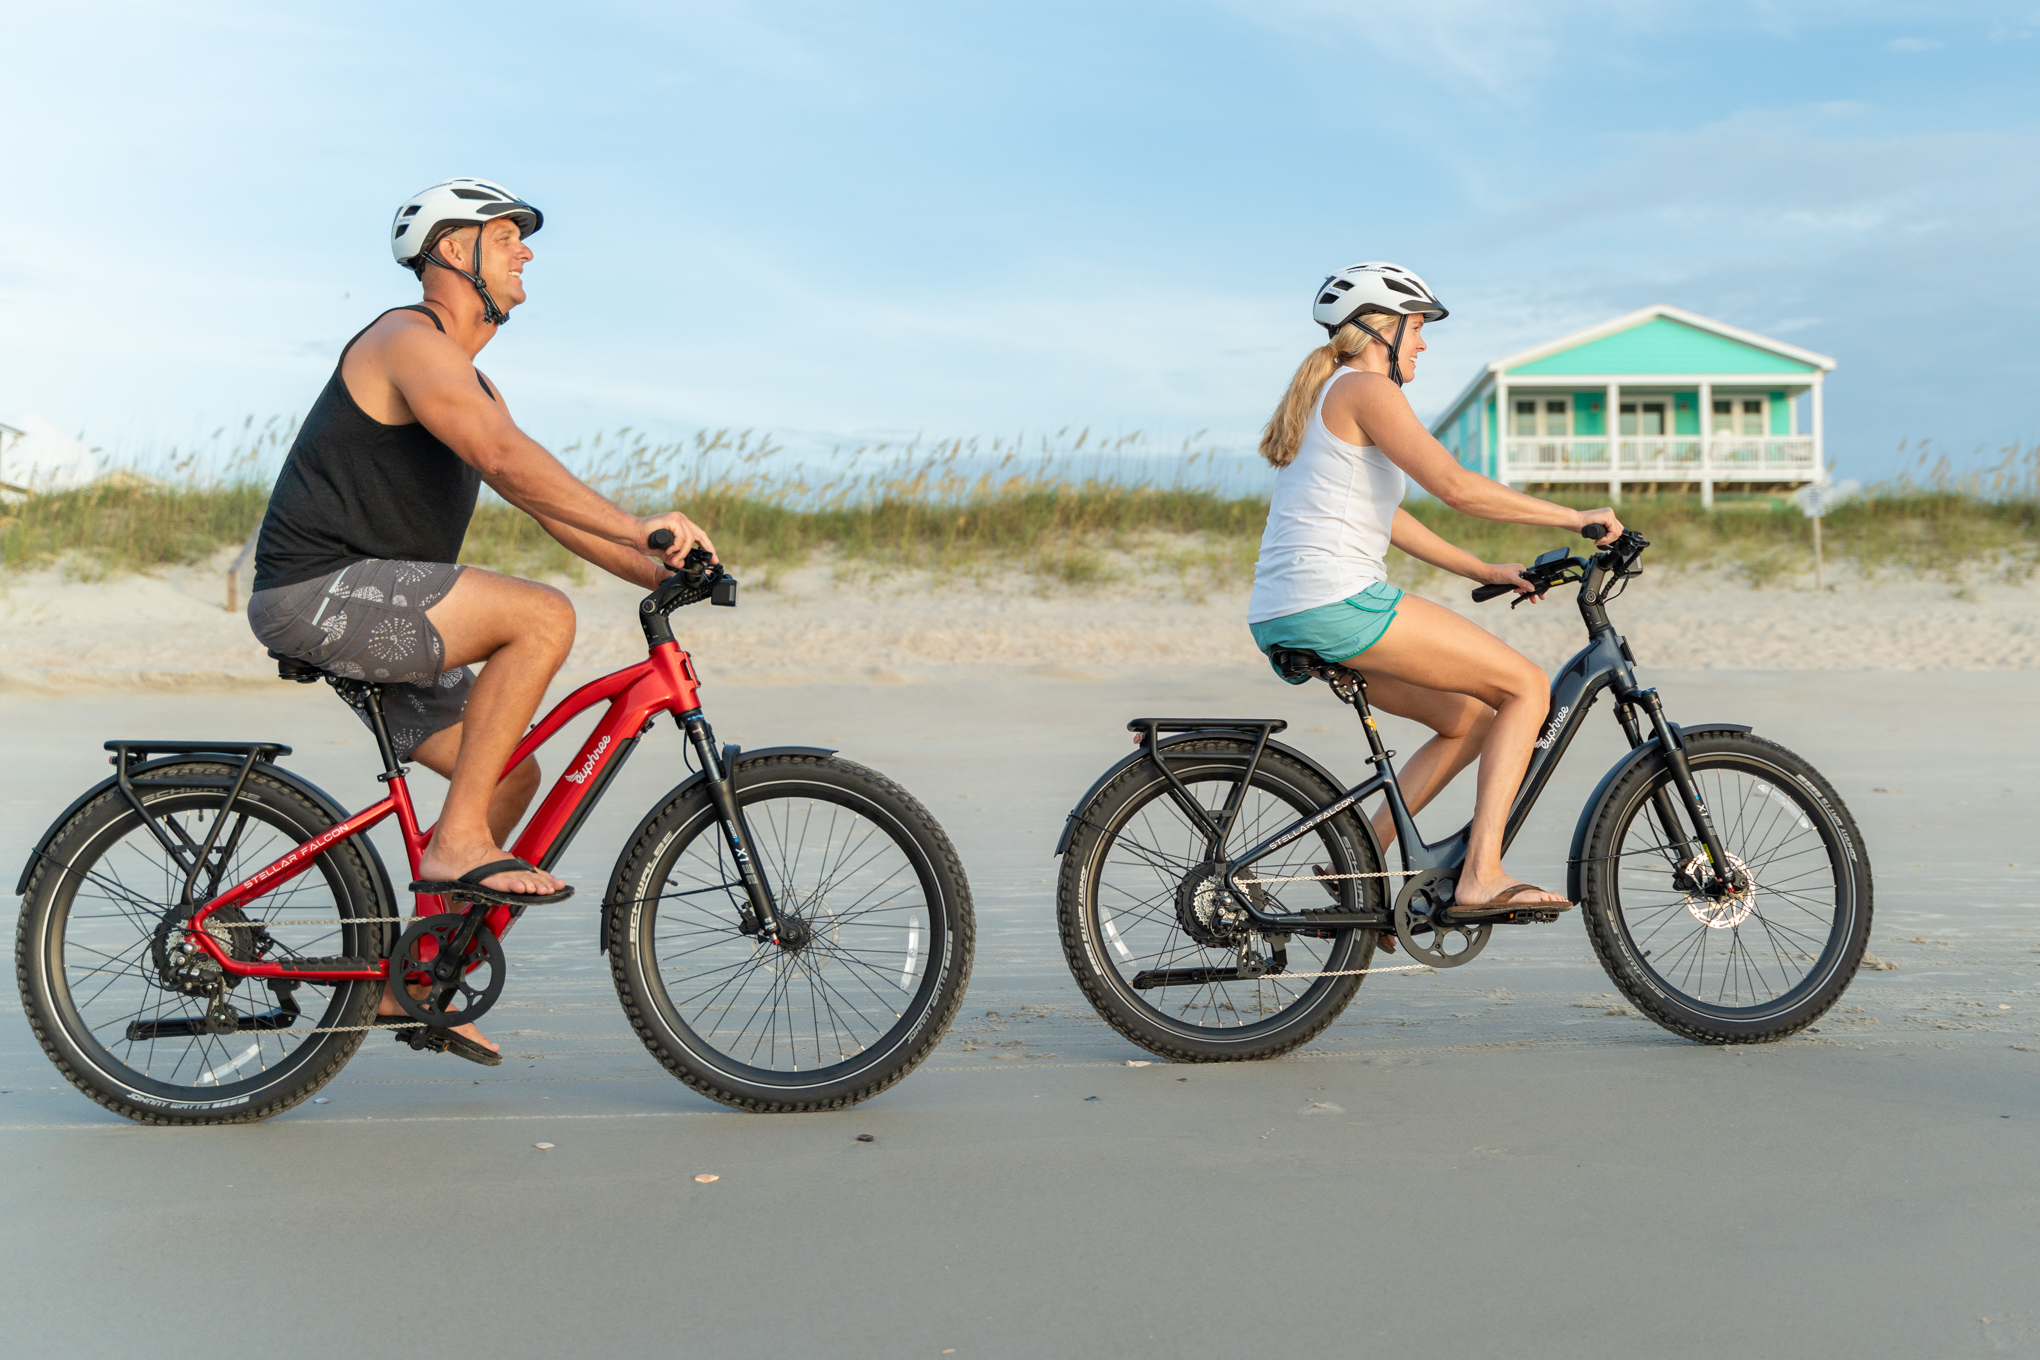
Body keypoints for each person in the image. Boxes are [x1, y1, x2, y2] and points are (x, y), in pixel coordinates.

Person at [245, 178, 715, 1062]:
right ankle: (456, 843)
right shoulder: (405, 339)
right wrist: (636, 522)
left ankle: (413, 982)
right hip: (320, 593)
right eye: (506, 237)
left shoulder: (474, 382)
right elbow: (500, 458)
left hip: (382, 607)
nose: (525, 251)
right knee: (540, 617)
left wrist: (659, 565)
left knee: (507, 774)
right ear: (453, 251)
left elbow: (543, 504)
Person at [1246, 261, 1623, 920]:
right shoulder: (1366, 388)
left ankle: (1359, 860)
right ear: (1381, 329)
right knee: (1526, 687)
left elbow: (1385, 516)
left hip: (1287, 610)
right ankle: (1482, 875)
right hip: (1338, 601)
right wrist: (1575, 517)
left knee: (1469, 720)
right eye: (1417, 327)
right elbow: (1455, 486)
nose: (1422, 343)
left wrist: (1481, 570)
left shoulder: (1330, 395)